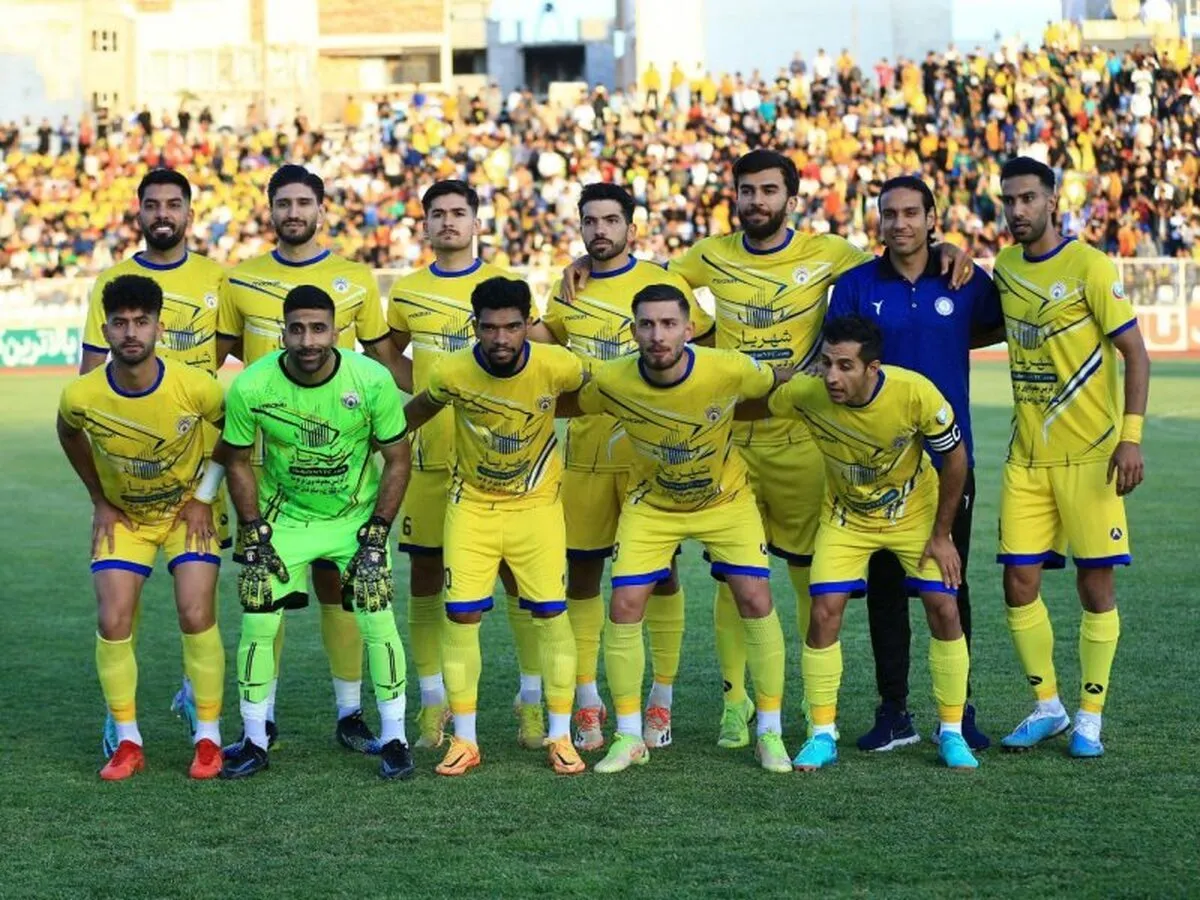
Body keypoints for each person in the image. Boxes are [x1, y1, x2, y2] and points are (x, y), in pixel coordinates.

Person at [564, 149, 974, 750]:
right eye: (747, 190)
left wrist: (946, 250)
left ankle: (811, 711)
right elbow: (644, 277)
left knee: (812, 577)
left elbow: (893, 256)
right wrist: (590, 259)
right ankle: (736, 704)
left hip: (800, 438)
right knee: (734, 579)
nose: (756, 201)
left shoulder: (828, 252)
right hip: (729, 437)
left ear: (791, 198)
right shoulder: (709, 255)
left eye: (768, 190)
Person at [566, 283, 793, 774]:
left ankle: (769, 732)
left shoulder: (728, 367)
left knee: (756, 599)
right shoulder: (611, 378)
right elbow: (568, 403)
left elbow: (778, 382)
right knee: (625, 605)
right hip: (653, 504)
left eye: (669, 324)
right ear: (633, 331)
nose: (658, 335)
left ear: (690, 330)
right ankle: (629, 737)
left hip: (726, 501)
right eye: (647, 324)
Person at [217, 164, 404, 756]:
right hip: (275, 486)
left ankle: (360, 718)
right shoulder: (239, 282)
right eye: (284, 202)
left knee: (352, 602)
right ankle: (258, 727)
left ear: (321, 208)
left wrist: (453, 386)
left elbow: (386, 364)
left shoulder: (357, 281)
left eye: (304, 202)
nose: (293, 212)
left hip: (347, 488)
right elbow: (213, 365)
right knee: (260, 606)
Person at [740, 315, 978, 771]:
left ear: (873, 368)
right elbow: (759, 407)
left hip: (914, 515)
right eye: (827, 363)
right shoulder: (808, 393)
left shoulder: (914, 393)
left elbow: (955, 458)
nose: (832, 376)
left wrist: (942, 535)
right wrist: (704, 415)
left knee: (943, 607)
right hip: (846, 518)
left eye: (845, 366)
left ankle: (951, 732)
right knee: (824, 611)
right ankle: (821, 734)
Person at [530, 182, 715, 752]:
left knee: (662, 576)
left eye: (611, 220)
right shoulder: (568, 289)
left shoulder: (662, 284)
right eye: (590, 221)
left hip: (648, 459)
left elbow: (704, 348)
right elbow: (542, 343)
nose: (600, 230)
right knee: (583, 575)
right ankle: (588, 701)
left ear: (631, 228)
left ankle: (661, 698)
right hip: (586, 458)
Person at [826, 175, 1003, 753]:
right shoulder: (856, 285)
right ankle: (894, 711)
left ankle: (959, 710)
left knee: (950, 584)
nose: (899, 222)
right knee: (884, 589)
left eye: (910, 212)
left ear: (932, 218)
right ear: (878, 220)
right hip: (878, 467)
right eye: (889, 213)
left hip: (950, 459)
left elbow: (998, 322)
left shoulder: (964, 279)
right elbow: (838, 359)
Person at [992, 157, 1150, 758]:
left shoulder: (1091, 266)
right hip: (1027, 458)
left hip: (1091, 458)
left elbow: (1136, 354)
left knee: (1094, 583)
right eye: (1009, 200)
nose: (1018, 210)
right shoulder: (1005, 268)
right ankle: (1048, 707)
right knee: (1018, 582)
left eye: (1028, 198)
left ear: (1053, 200)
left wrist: (1130, 437)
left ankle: (1090, 716)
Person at [401, 276, 586, 777]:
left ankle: (561, 736)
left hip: (537, 508)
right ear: (474, 326)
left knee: (551, 615)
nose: (501, 339)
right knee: (461, 616)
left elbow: (592, 395)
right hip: (472, 508)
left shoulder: (558, 364)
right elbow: (418, 411)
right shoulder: (451, 370)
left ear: (528, 324)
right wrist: (377, 440)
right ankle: (465, 740)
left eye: (512, 327)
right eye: (489, 328)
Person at [387, 180, 544, 752]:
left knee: (518, 581)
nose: (448, 221)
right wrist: (432, 389)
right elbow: (388, 352)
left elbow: (540, 347)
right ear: (425, 224)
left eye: (459, 212)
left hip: (501, 462)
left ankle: (531, 700)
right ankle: (434, 702)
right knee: (427, 579)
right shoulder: (407, 290)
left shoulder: (504, 286)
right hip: (431, 459)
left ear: (477, 222)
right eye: (438, 213)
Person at [57, 274, 227, 781]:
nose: (131, 332)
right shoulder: (81, 395)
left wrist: (203, 498)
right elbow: (68, 433)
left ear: (159, 327)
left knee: (195, 612)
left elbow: (235, 435)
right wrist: (99, 500)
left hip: (185, 516)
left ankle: (208, 738)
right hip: (126, 519)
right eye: (120, 323)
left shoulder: (196, 386)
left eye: (141, 321)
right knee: (113, 619)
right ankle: (127, 740)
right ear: (105, 330)